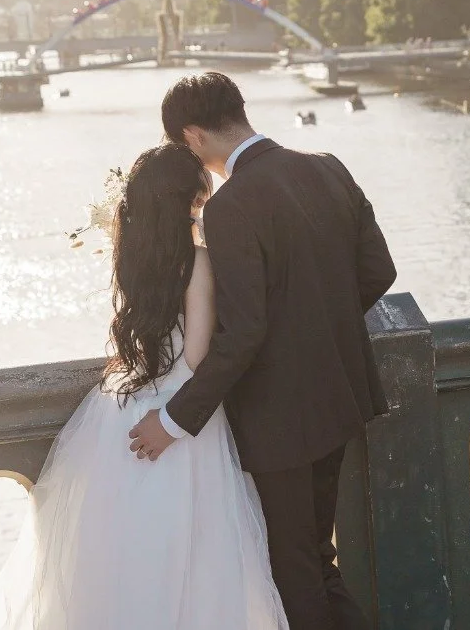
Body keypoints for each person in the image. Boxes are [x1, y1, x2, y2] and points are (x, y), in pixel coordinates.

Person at [0, 142, 287, 629]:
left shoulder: (131, 256)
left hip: (126, 404)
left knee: (118, 551)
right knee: (196, 553)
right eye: (199, 202)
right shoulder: (197, 261)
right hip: (179, 412)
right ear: (185, 202)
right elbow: (198, 356)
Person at [129, 72, 397, 630]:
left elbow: (244, 332)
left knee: (294, 572)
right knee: (318, 563)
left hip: (281, 418)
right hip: (340, 397)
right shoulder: (328, 165)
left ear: (194, 137)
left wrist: (175, 420)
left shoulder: (230, 207)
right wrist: (316, 322)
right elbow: (379, 270)